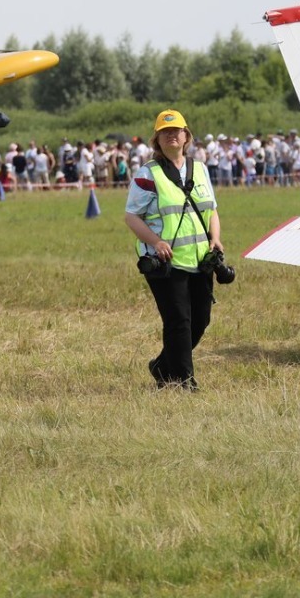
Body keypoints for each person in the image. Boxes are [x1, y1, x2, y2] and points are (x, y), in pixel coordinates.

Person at [123, 108, 224, 391]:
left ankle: (162, 366)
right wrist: (156, 243)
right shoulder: (147, 174)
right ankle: (184, 380)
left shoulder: (200, 169)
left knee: (200, 320)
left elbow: (211, 210)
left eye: (176, 130)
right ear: (157, 139)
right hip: (164, 262)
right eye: (164, 131)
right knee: (178, 321)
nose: (171, 135)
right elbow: (132, 216)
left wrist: (215, 238)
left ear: (186, 136)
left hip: (200, 258)